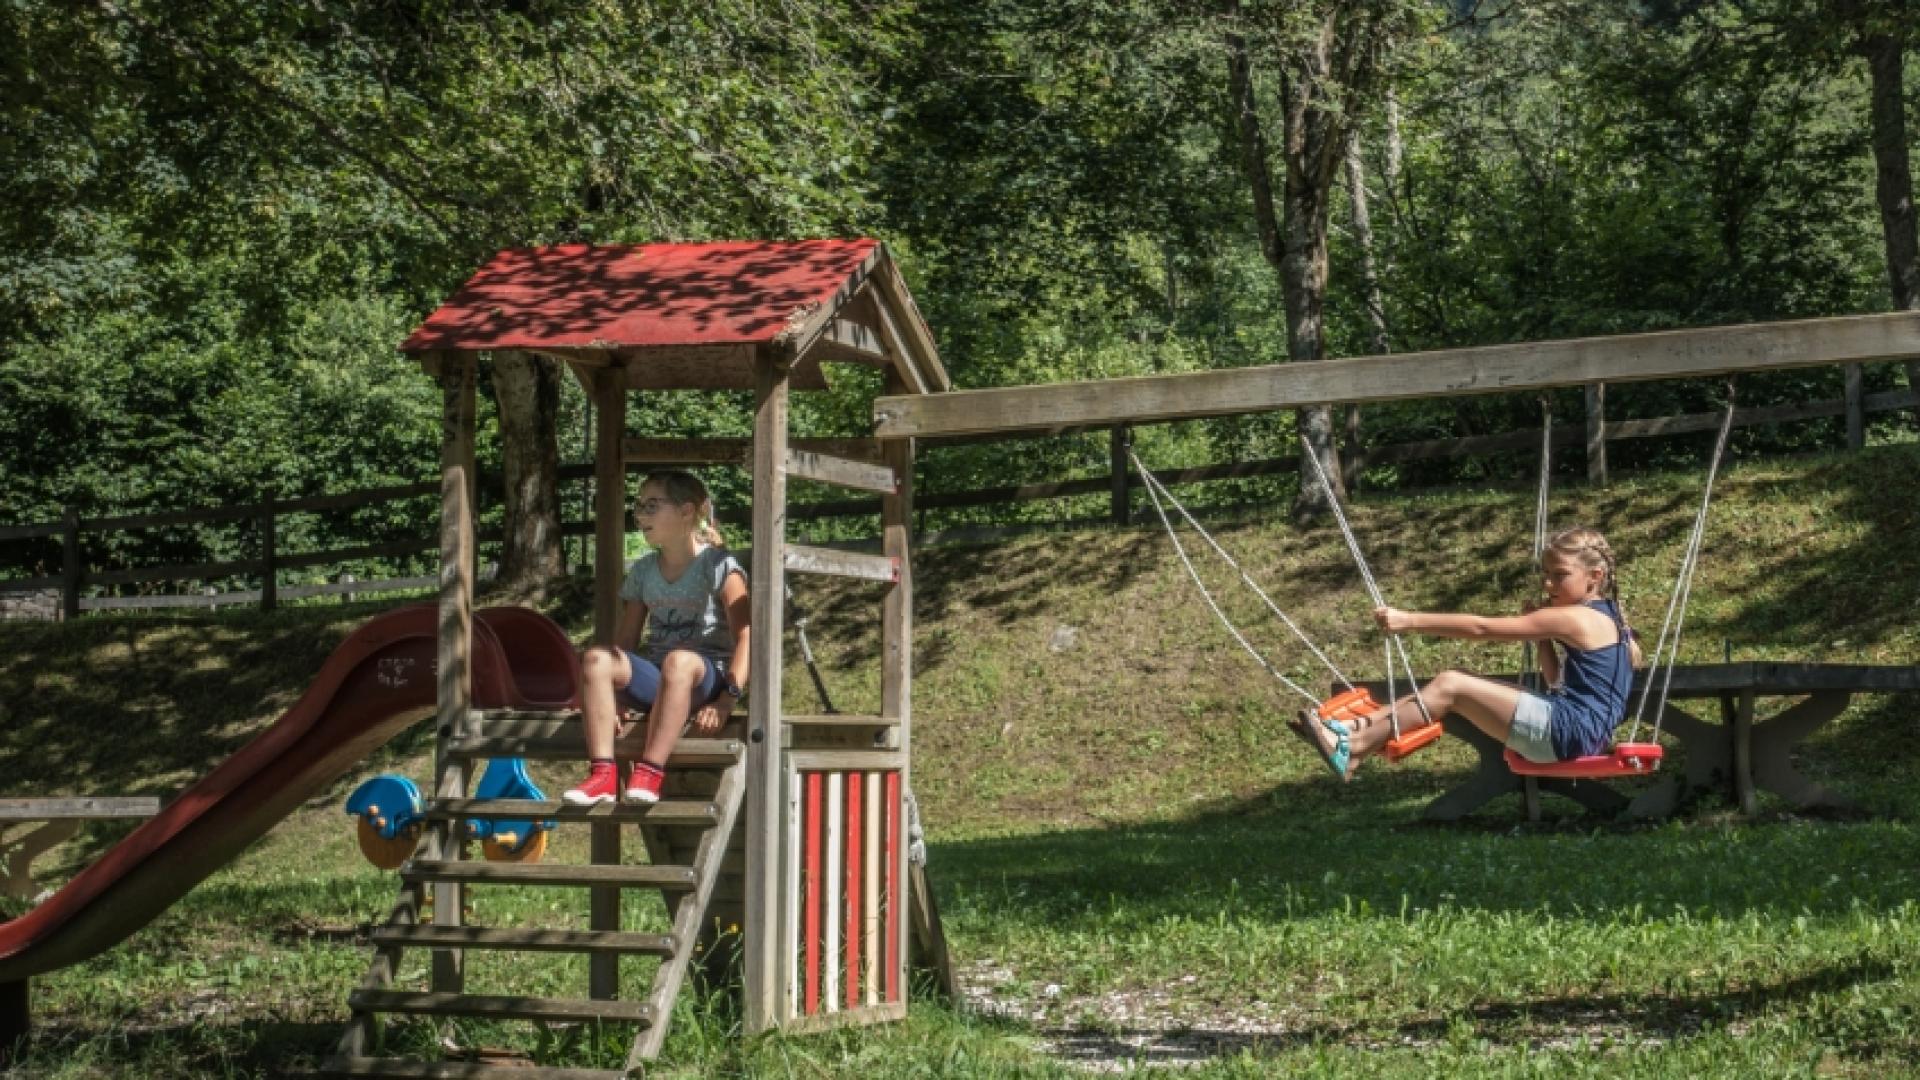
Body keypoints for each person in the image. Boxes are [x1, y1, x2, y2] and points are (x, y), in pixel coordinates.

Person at [1290, 526, 1645, 781]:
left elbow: (1481, 628)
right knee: (1461, 681)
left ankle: (1354, 746)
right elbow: (1556, 680)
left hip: (1568, 732)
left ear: (1594, 576)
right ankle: (1349, 731)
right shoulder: (1611, 620)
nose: (1548, 584)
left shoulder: (1575, 618)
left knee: (1451, 685)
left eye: (1559, 575)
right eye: (1546, 574)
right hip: (1579, 733)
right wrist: (1541, 637)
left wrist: (1409, 620)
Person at [564, 470, 750, 806]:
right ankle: (602, 775)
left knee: (678, 661)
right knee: (596, 658)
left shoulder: (720, 566)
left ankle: (650, 772)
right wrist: (614, 695)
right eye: (638, 506)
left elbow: (746, 635)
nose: (640, 515)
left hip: (705, 678)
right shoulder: (644, 570)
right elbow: (625, 644)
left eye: (652, 506)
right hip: (660, 679)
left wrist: (727, 700)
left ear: (686, 512)